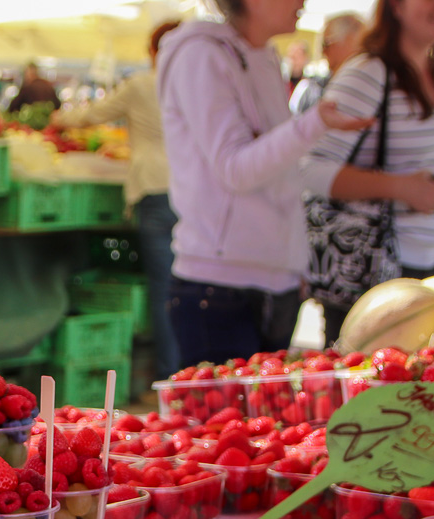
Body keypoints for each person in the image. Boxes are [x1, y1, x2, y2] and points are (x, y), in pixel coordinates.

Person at [158, 0, 373, 364]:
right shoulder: (200, 55)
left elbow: (273, 167)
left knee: (260, 419)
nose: (303, 2)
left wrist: (292, 259)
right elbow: (236, 168)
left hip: (273, 284)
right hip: (221, 287)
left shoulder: (263, 56)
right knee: (221, 421)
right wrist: (314, 122)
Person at [303, 0, 434, 344]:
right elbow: (309, 170)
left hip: (432, 270)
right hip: (374, 276)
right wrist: (401, 188)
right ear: (395, 5)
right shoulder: (368, 72)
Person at [52, 21, 182, 380]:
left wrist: (59, 118)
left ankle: (170, 375)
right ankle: (187, 371)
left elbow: (93, 114)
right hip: (191, 190)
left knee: (163, 286)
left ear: (153, 51)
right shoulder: (196, 86)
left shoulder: (142, 84)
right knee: (187, 283)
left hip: (154, 188)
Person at [290, 12, 363, 114]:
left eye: (326, 44)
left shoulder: (371, 89)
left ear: (349, 42)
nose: (322, 52)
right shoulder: (310, 90)